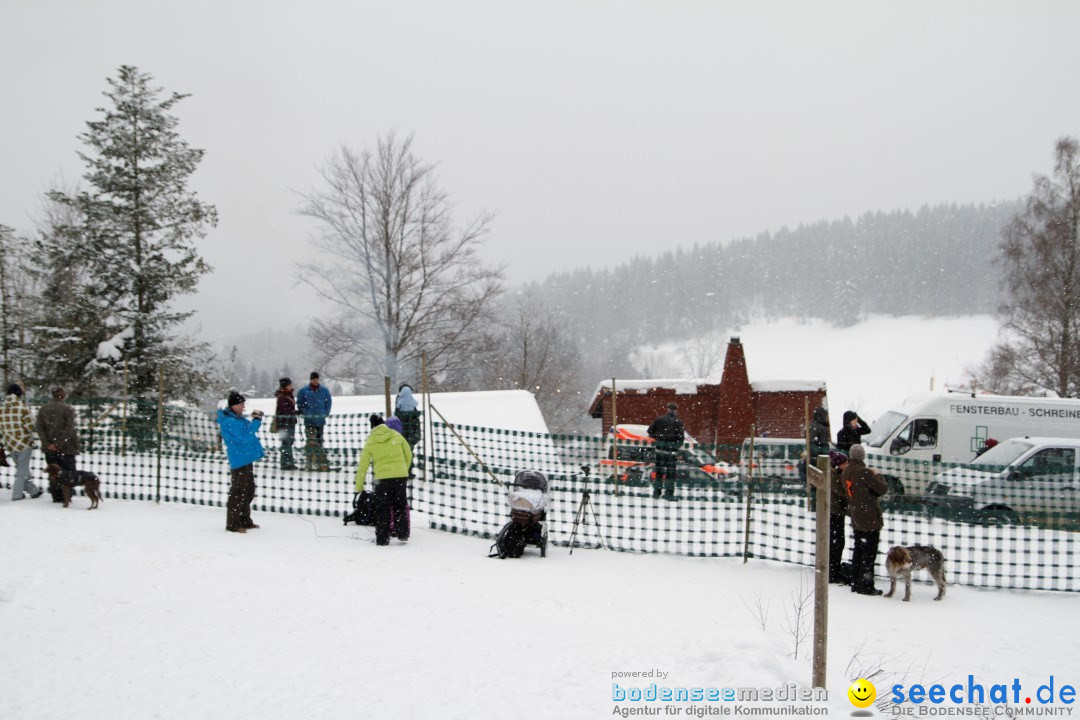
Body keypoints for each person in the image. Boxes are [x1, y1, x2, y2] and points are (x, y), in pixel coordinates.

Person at [355, 413, 413, 546]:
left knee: (382, 509)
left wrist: (358, 486)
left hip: (381, 479)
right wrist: (404, 469)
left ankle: (382, 538)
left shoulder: (370, 441)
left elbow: (362, 466)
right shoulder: (396, 435)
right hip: (400, 477)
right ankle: (403, 534)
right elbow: (408, 453)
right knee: (400, 505)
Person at [216, 391, 265, 533]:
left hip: (246, 458)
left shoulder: (238, 419)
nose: (244, 407)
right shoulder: (230, 421)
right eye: (242, 404)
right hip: (239, 460)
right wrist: (256, 421)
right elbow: (245, 436)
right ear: (235, 405)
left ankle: (244, 520)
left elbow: (247, 431)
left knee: (248, 490)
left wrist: (254, 420)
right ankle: (233, 523)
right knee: (239, 492)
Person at [842, 444, 888, 595]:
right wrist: (877, 475)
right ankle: (866, 585)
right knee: (869, 554)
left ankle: (856, 582)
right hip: (869, 518)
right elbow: (882, 489)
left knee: (858, 550)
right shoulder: (864, 472)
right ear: (863, 456)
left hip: (856, 516)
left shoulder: (846, 471)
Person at [36, 386, 81, 501]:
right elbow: (69, 428)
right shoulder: (68, 409)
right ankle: (67, 495)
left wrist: (47, 443)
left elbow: (39, 427)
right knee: (68, 473)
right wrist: (59, 443)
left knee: (53, 472)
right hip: (66, 447)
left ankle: (56, 495)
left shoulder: (43, 409)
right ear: (63, 395)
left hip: (49, 448)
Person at [0, 383, 43, 500]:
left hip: (9, 443)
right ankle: (17, 495)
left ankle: (33, 491)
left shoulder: (2, 408)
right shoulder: (22, 407)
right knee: (21, 471)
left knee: (21, 468)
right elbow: (31, 426)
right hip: (23, 443)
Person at [647, 402, 685, 500]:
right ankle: (669, 494)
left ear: (667, 409)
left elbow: (650, 431)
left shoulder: (659, 420)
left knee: (659, 473)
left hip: (660, 451)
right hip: (671, 453)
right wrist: (674, 446)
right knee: (670, 475)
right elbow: (681, 439)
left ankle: (656, 492)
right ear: (676, 410)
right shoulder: (678, 422)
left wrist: (659, 439)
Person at [296, 371, 333, 471]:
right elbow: (300, 404)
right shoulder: (304, 391)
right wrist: (305, 413)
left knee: (319, 442)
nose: (315, 381)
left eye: (316, 379)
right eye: (313, 379)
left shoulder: (324, 391)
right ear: (310, 380)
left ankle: (319, 462)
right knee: (310, 442)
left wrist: (325, 413)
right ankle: (308, 462)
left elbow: (328, 402)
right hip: (309, 421)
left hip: (320, 421)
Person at [827, 450, 850, 584]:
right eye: (845, 463)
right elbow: (843, 492)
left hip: (836, 513)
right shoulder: (834, 477)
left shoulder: (835, 474)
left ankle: (833, 570)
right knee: (836, 543)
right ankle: (832, 572)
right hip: (834, 513)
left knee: (837, 543)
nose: (847, 465)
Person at [274, 377, 300, 470]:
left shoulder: (286, 395)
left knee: (288, 442)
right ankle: (286, 463)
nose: (291, 386)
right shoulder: (282, 396)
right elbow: (284, 410)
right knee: (286, 443)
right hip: (285, 423)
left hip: (289, 422)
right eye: (289, 385)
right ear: (286, 386)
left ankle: (288, 462)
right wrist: (295, 412)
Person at [395, 383, 422, 450]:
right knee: (409, 449)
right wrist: (417, 435)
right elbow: (417, 425)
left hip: (401, 434)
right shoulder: (413, 403)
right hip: (412, 434)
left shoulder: (399, 403)